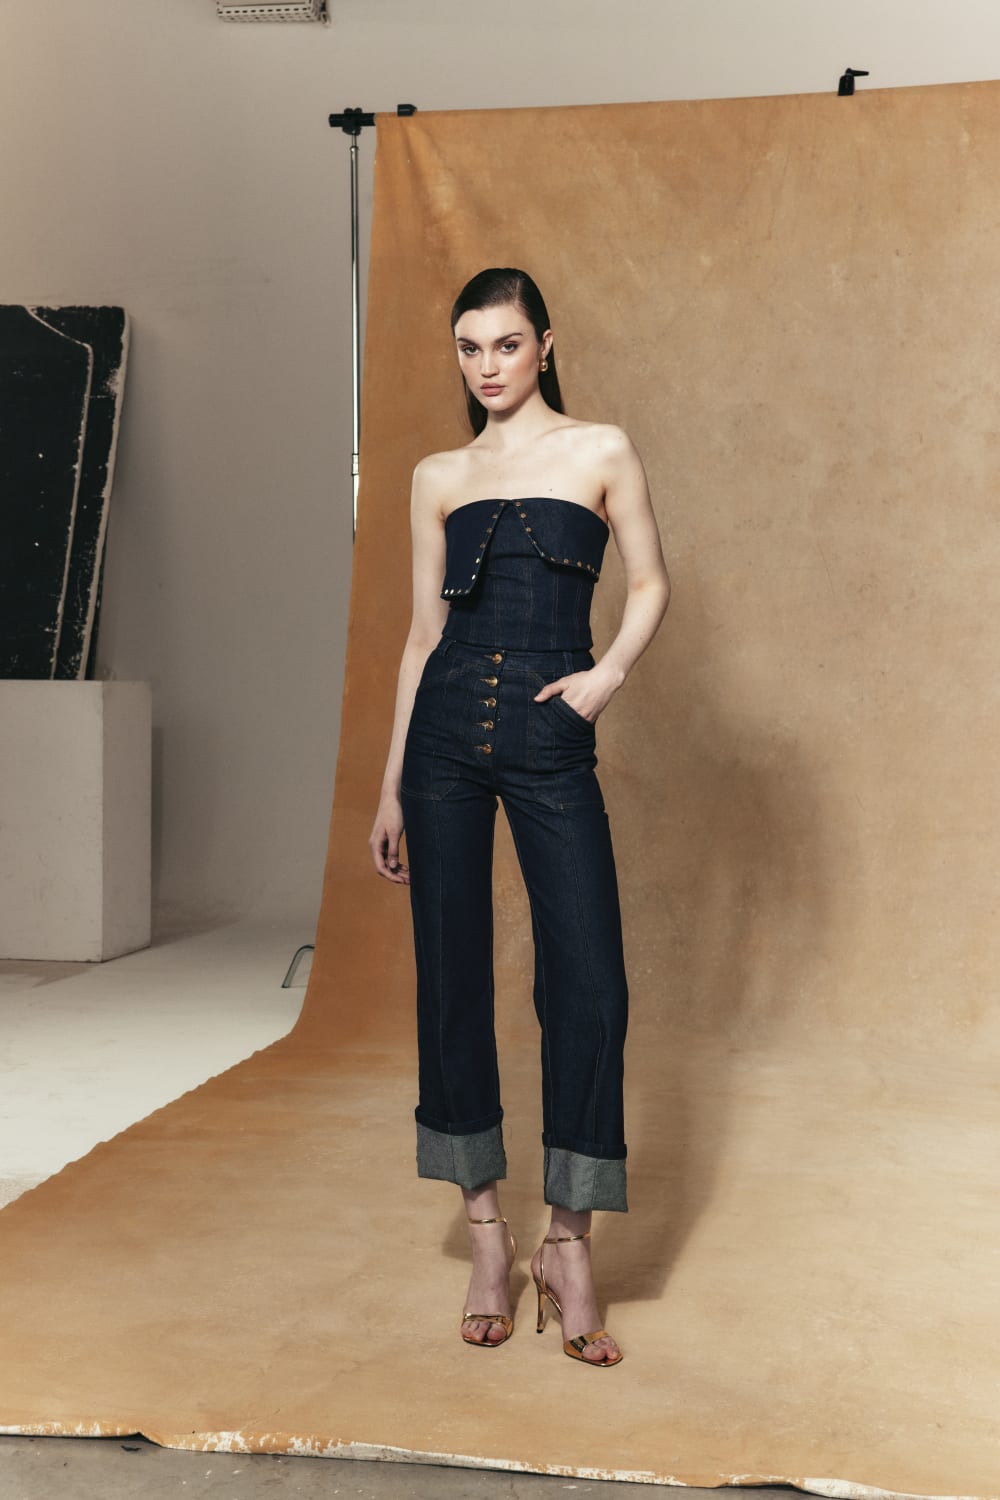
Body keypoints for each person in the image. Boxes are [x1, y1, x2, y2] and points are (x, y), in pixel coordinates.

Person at [369, 267, 670, 1367]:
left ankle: (569, 1244)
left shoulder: (600, 449)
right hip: (444, 732)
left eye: (505, 343)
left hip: (551, 732)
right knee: (450, 975)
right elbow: (419, 637)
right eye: (469, 347)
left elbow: (651, 583)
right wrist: (390, 784)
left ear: (545, 343)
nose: (486, 366)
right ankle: (489, 1238)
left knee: (588, 979)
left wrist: (607, 676)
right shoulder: (438, 474)